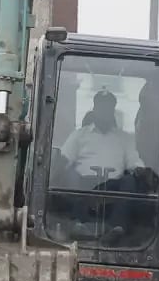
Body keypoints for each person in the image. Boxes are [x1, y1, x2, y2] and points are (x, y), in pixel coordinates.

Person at [59, 90, 149, 245]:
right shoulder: (79, 135)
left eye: (108, 108)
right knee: (69, 175)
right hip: (85, 185)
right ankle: (77, 223)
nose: (104, 111)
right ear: (94, 109)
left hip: (114, 188)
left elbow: (134, 162)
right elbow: (64, 159)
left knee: (130, 181)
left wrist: (140, 170)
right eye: (101, 107)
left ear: (112, 110)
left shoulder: (125, 138)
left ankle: (116, 227)